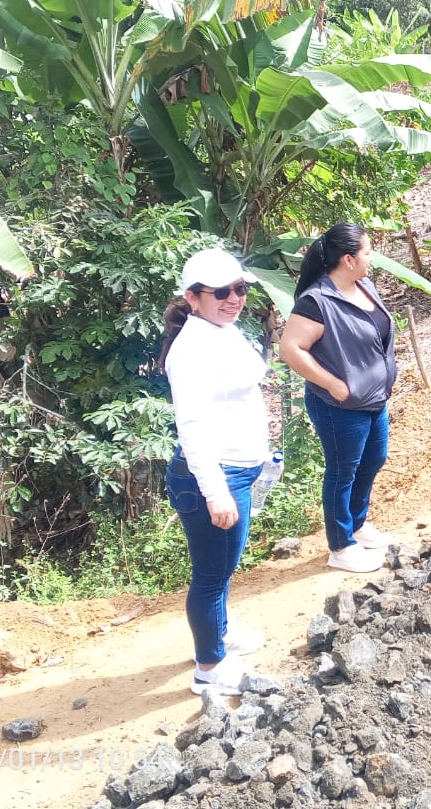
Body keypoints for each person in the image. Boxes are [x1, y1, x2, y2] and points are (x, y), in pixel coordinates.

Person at [159, 247, 269, 695]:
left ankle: (219, 632)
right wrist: (215, 491)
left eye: (239, 289)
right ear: (193, 297)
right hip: (214, 475)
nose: (234, 299)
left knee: (222, 568)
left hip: (236, 469)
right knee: (211, 575)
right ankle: (210, 666)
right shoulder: (192, 350)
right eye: (221, 292)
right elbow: (192, 427)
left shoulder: (222, 330)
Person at [280, 222, 397, 573]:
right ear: (348, 259)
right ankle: (341, 545)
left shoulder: (365, 287)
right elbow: (291, 348)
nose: (371, 257)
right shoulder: (316, 302)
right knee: (343, 470)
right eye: (367, 252)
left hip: (373, 399)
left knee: (374, 459)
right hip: (338, 405)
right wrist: (332, 383)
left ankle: (357, 525)